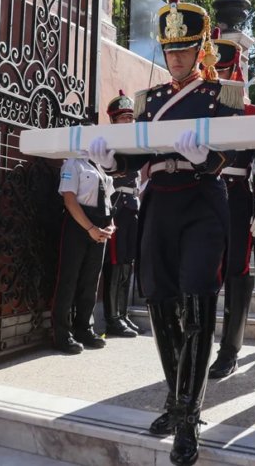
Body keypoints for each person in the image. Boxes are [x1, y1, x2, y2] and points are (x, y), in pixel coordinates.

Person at [89, 0, 244, 466]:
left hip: (201, 200)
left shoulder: (222, 93)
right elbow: (137, 158)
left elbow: (235, 150)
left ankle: (189, 416)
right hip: (159, 201)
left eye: (184, 49)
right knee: (159, 303)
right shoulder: (148, 99)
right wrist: (113, 163)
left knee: (197, 305)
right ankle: (177, 399)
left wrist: (206, 159)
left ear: (200, 49)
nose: (175, 57)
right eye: (170, 49)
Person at [202, 28, 255, 379]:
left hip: (235, 195)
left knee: (236, 269)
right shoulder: (196, 109)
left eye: (222, 71)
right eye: (211, 71)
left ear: (235, 72)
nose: (216, 78)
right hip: (199, 192)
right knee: (199, 269)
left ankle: (229, 349)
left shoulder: (253, 113)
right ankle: (197, 342)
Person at [52, 143, 115, 354]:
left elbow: (107, 199)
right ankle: (62, 334)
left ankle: (84, 329)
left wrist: (111, 225)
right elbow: (69, 200)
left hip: (100, 227)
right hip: (79, 224)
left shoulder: (101, 166)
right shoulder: (73, 163)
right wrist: (90, 228)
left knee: (91, 281)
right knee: (69, 279)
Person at [101, 90, 144, 338]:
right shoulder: (108, 143)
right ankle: (112, 318)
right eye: (123, 118)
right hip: (116, 205)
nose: (128, 121)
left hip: (132, 207)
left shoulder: (136, 143)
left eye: (130, 117)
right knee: (115, 263)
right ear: (113, 120)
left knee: (128, 262)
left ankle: (124, 314)